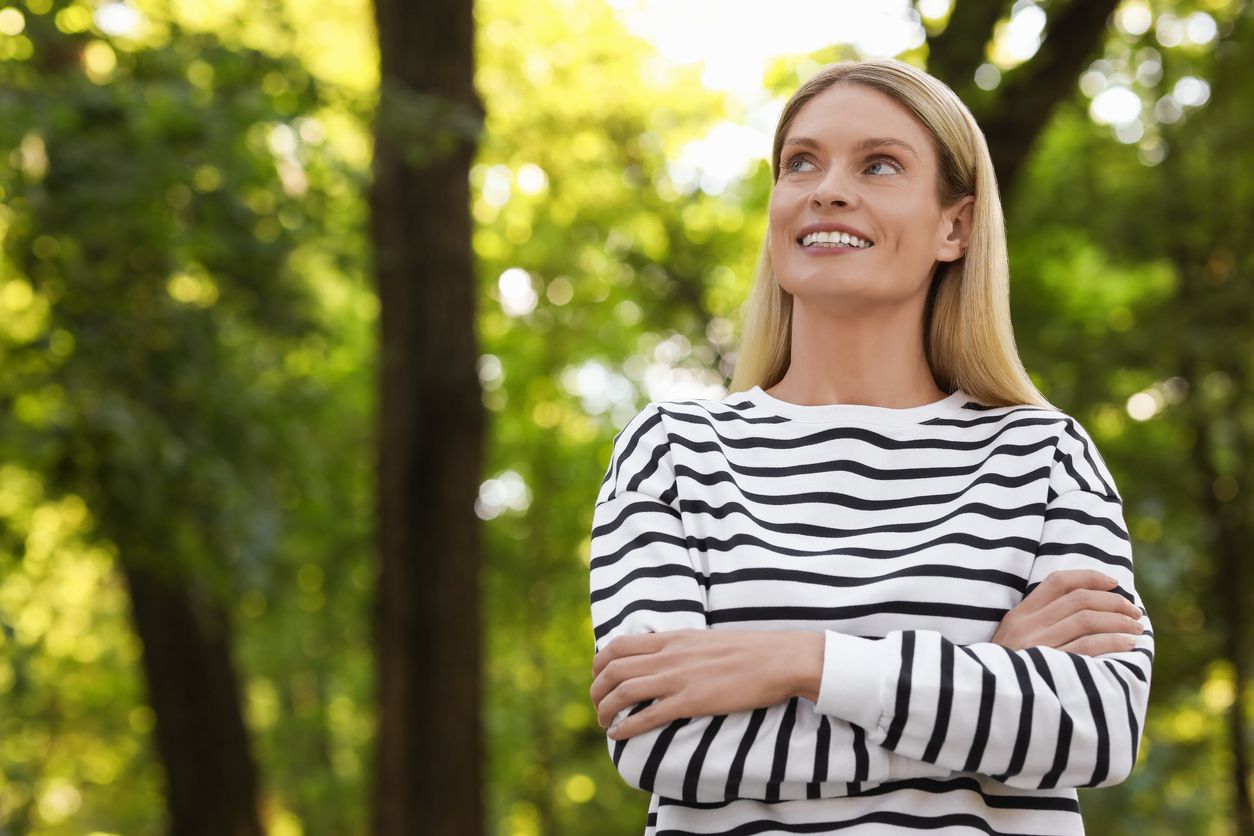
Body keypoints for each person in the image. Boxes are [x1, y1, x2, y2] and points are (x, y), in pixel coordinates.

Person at [586, 57, 1153, 835]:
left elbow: (1097, 727)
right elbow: (661, 739)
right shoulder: (673, 453)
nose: (827, 189)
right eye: (801, 163)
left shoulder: (1045, 457)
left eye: (879, 164)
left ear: (955, 227)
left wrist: (802, 660)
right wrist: (984, 689)